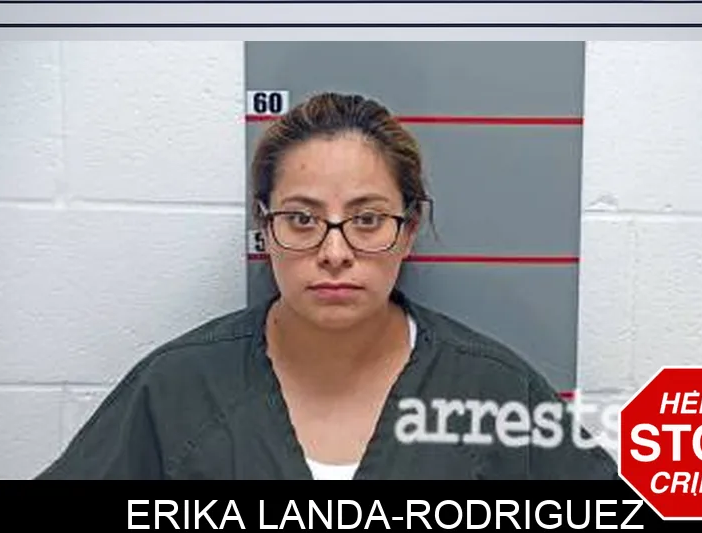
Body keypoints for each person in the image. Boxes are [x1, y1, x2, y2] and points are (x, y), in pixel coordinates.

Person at [37, 92, 617, 480]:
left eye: (367, 220)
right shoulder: (176, 390)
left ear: (409, 229)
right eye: (301, 219)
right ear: (265, 227)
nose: (334, 253)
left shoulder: (496, 392)